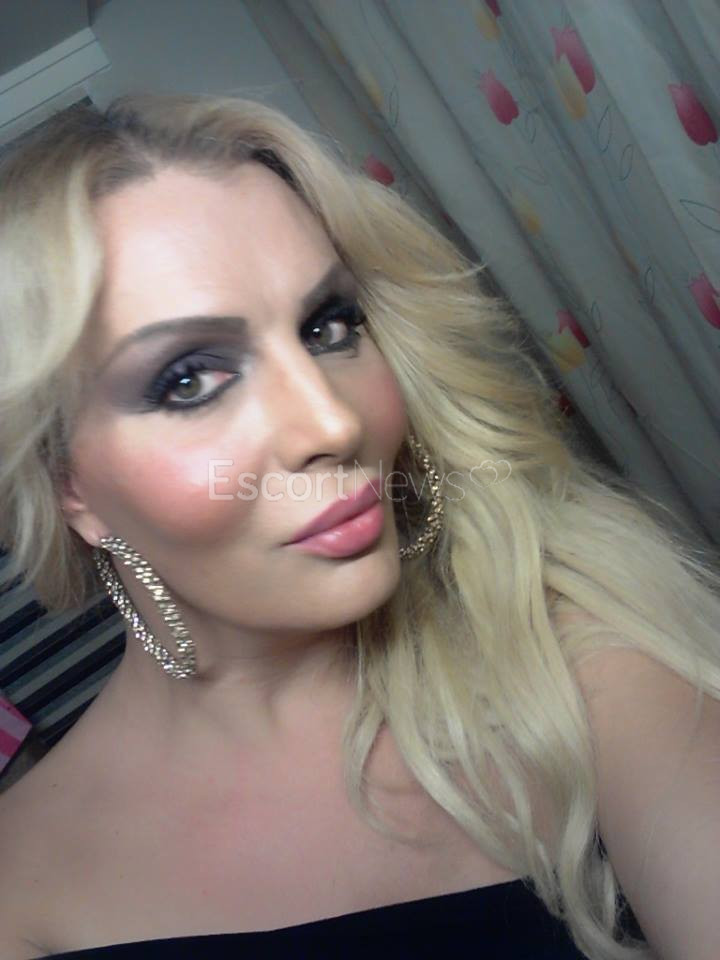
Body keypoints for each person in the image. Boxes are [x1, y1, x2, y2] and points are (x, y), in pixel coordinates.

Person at [0, 93, 718, 960]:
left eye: (328, 326)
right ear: (70, 486)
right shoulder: (21, 892)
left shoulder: (567, 638)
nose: (332, 423)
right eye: (188, 380)